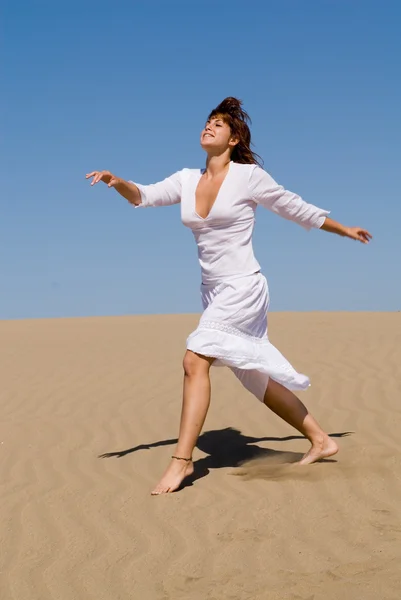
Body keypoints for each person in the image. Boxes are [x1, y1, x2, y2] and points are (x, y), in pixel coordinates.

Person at [86, 97, 372, 495]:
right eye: (207, 121)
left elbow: (295, 207)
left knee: (194, 358)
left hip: (243, 287)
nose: (208, 127)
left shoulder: (248, 177)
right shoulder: (187, 179)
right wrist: (118, 182)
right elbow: (143, 196)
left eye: (218, 124)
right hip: (213, 291)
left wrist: (343, 229)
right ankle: (321, 440)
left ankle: (182, 462)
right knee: (255, 378)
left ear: (234, 138)